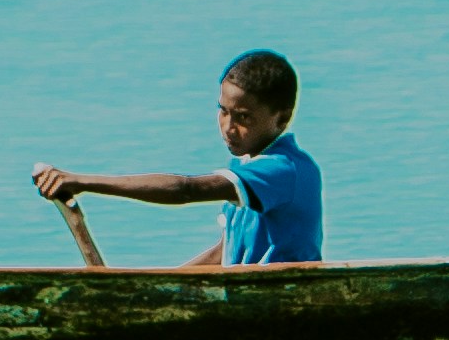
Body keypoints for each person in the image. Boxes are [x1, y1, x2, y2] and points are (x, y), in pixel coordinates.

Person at [34, 50, 325, 268]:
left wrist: (82, 181)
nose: (228, 127)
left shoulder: (284, 170)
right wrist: (166, 285)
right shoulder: (246, 163)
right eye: (223, 111)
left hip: (278, 302)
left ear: (282, 118)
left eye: (244, 117)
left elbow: (187, 189)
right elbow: (225, 251)